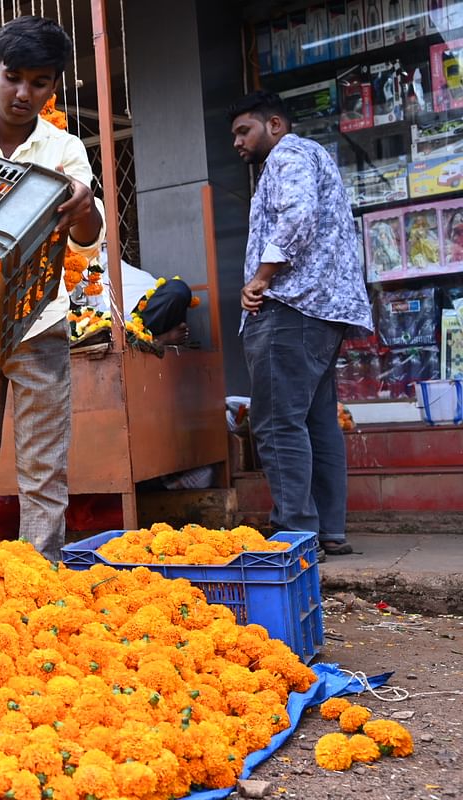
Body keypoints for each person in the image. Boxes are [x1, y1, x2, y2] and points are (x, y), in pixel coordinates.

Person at [0, 15, 105, 561]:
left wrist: (82, 205)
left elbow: (86, 241)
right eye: (13, 77)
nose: (23, 93)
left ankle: (38, 583)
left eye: (39, 82)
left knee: (42, 474)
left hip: (39, 325)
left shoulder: (64, 151)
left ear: (53, 87)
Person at [229, 90, 373, 557]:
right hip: (324, 312)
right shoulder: (315, 156)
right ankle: (328, 530)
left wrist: (261, 277)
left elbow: (298, 214)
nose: (237, 142)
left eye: (243, 131)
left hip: (291, 308)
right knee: (316, 423)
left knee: (276, 423)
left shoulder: (287, 154)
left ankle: (296, 531)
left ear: (274, 124)